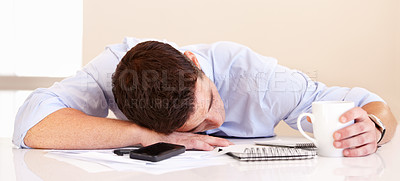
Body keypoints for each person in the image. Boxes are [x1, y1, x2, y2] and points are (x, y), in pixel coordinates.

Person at [13, 37, 397, 157]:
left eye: (210, 102)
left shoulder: (257, 79)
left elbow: (372, 102)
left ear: (195, 63)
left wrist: (375, 126)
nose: (213, 123)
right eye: (193, 127)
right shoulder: (115, 73)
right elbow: (32, 125)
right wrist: (143, 135)